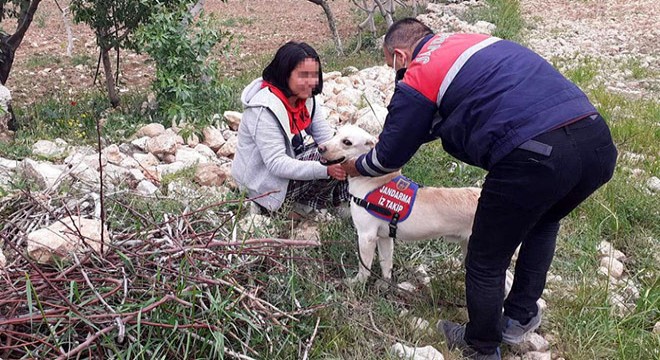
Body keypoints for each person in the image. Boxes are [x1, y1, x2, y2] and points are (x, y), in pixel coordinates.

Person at [341, 18, 617, 359]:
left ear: (399, 55)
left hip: (535, 154)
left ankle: (482, 347)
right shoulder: (472, 43)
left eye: (391, 66)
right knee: (543, 222)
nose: (395, 74)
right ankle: (519, 318)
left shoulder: (420, 69)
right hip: (596, 143)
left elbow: (388, 157)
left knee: (486, 258)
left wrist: (354, 166)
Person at [232, 41, 348, 218]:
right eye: (303, 75)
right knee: (327, 159)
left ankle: (335, 202)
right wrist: (325, 169)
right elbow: (276, 163)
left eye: (314, 75)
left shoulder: (306, 99)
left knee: (342, 150)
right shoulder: (263, 109)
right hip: (261, 184)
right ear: (285, 74)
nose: (311, 82)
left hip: (284, 169)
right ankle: (289, 208)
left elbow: (326, 139)